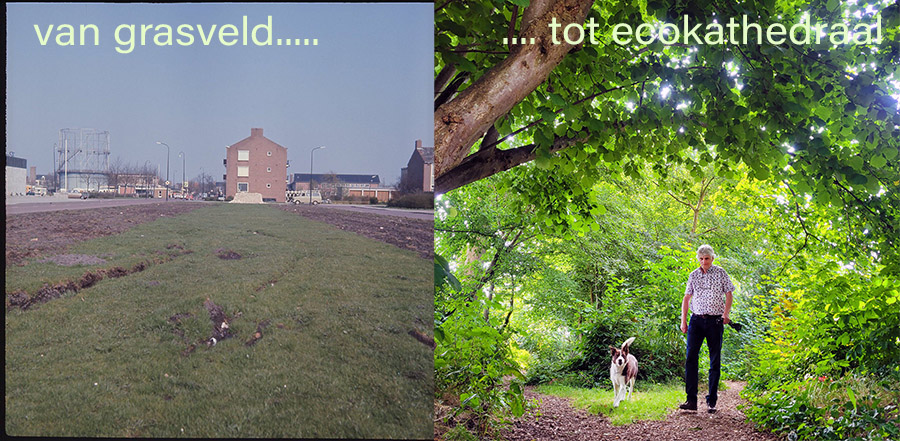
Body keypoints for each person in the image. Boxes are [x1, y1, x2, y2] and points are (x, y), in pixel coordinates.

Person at [679, 244, 734, 414]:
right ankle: (691, 400)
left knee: (714, 360)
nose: (704, 262)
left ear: (712, 258)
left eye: (707, 258)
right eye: (701, 259)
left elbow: (729, 293)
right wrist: (683, 321)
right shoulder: (693, 275)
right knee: (690, 358)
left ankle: (712, 401)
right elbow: (686, 298)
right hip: (696, 320)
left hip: (715, 322)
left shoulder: (720, 273)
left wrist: (726, 314)